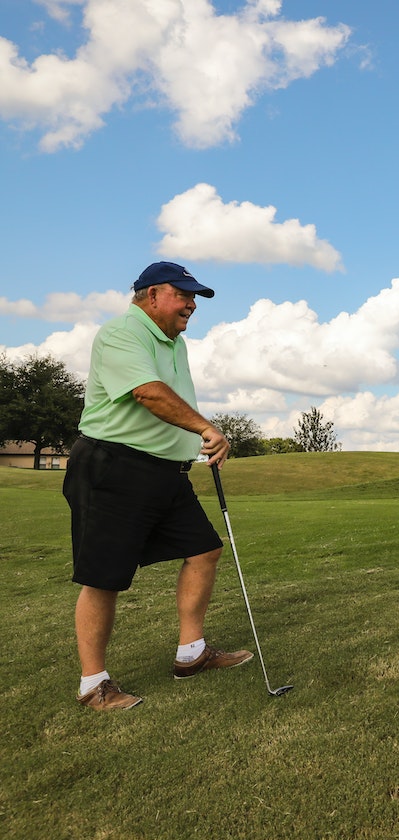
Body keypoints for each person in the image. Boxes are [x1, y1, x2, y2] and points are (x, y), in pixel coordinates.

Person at [63, 262, 252, 711]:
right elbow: (146, 393)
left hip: (166, 473)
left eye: (195, 298)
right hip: (114, 467)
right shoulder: (120, 333)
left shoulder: (175, 343)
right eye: (183, 295)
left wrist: (193, 440)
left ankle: (191, 654)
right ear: (151, 296)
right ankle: (94, 684)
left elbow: (169, 401)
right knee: (103, 577)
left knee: (204, 549)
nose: (191, 304)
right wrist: (207, 429)